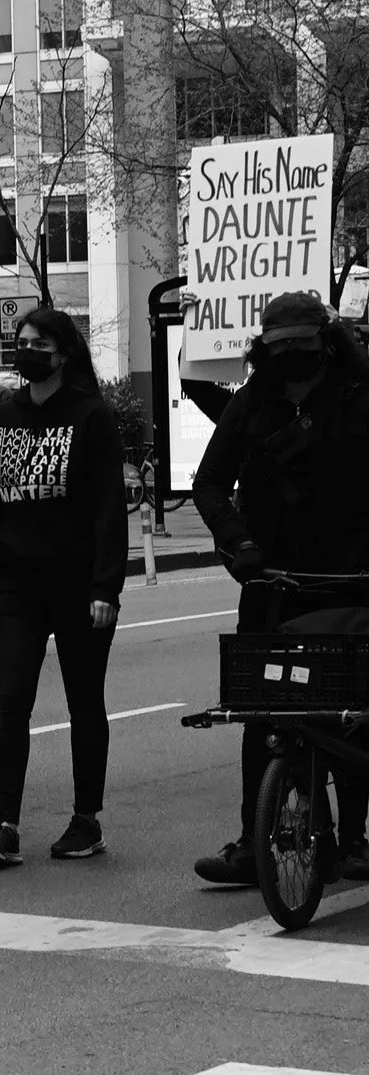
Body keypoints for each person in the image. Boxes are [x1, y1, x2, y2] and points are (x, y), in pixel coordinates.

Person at [191, 290, 369, 887]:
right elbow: (209, 482)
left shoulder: (358, 397)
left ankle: (352, 841)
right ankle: (253, 841)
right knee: (260, 708)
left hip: (351, 582)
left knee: (350, 712)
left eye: (302, 344)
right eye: (280, 346)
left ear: (327, 341)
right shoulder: (252, 404)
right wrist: (238, 544)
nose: (291, 355)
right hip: (270, 581)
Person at [0, 303, 125, 870]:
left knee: (84, 703)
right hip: (18, 586)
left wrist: (106, 586)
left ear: (63, 352)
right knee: (11, 703)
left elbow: (107, 511)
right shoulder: (4, 419)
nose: (26, 350)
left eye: (37, 343)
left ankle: (86, 819)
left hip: (79, 587)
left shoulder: (91, 417)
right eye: (19, 341)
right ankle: (5, 826)